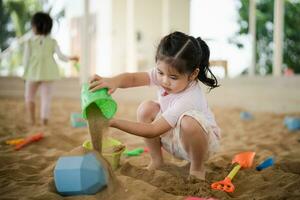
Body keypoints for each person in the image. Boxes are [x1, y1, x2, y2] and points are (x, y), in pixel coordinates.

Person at [89, 31, 221, 180]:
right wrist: (114, 81)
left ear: (193, 74)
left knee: (188, 122)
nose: (164, 81)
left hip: (201, 145)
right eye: (160, 72)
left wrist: (113, 122)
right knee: (146, 108)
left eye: (173, 77)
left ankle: (197, 168)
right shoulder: (165, 73)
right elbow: (132, 79)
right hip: (174, 138)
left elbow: (153, 130)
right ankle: (157, 160)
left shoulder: (190, 97)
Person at [23, 12, 79, 125]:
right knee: (46, 99)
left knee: (29, 97)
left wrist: (25, 74)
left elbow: (26, 59)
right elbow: (61, 57)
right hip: (48, 73)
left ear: (34, 26)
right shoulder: (52, 42)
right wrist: (71, 58)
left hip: (32, 73)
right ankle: (44, 122)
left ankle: (31, 121)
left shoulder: (29, 42)